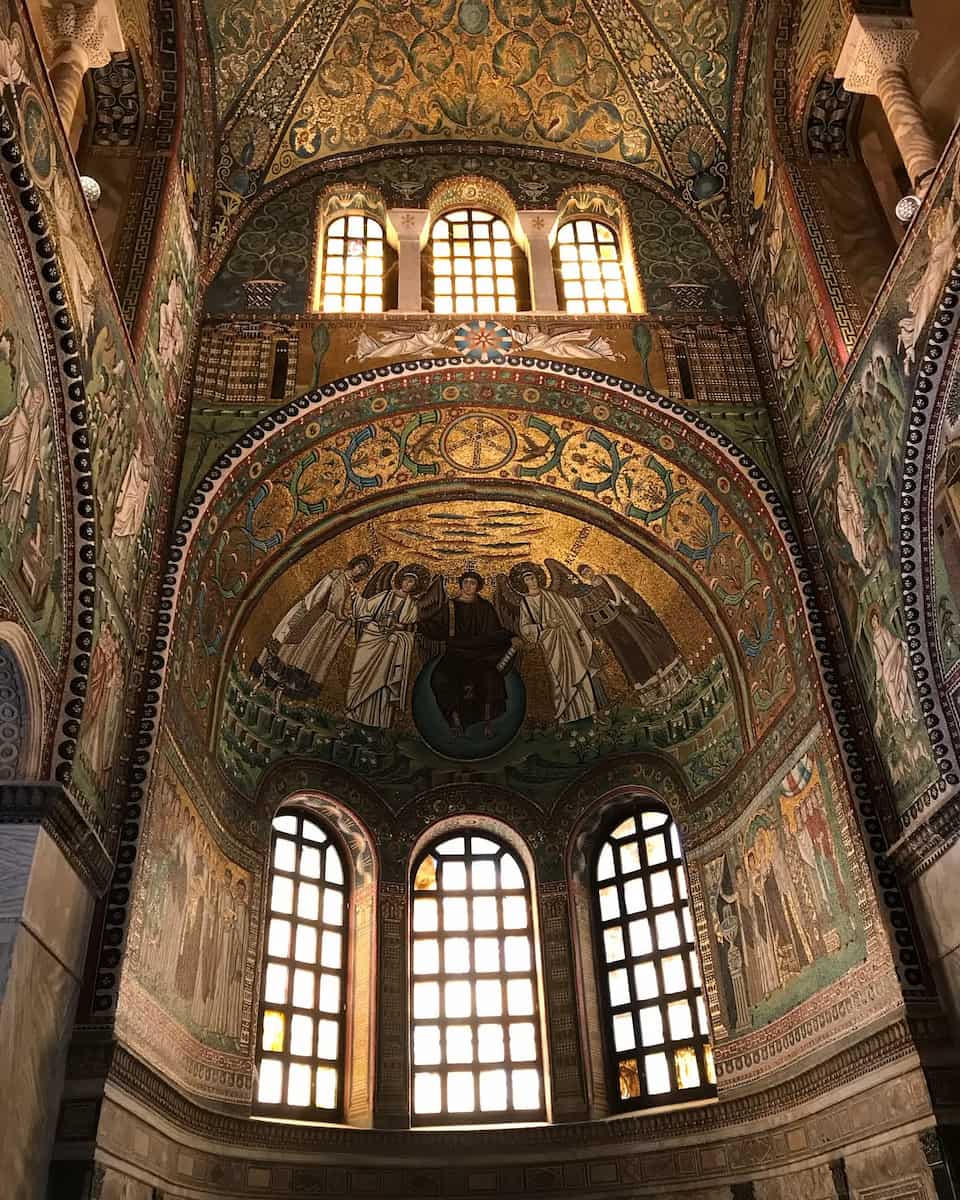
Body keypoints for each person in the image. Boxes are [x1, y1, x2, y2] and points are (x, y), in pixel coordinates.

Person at [252, 555, 373, 700]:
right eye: (359, 566)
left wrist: (348, 614)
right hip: (315, 616)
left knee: (305, 655)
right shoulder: (336, 575)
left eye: (362, 570)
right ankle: (269, 681)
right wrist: (337, 614)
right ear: (354, 564)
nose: (358, 571)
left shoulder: (350, 587)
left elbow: (341, 607)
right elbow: (322, 596)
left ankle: (286, 691)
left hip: (324, 624)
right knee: (291, 647)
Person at [419, 570, 519, 737]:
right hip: (455, 654)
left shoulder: (485, 607)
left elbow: (495, 631)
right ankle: (454, 720)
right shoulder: (450, 606)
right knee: (440, 678)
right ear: (460, 585)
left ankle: (487, 723)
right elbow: (435, 626)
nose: (468, 586)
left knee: (489, 678)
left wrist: (511, 636)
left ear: (478, 587)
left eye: (472, 583)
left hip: (481, 654)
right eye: (465, 582)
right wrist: (415, 626)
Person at [573, 563, 688, 696]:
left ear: (592, 569)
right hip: (616, 622)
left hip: (628, 612)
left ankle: (666, 663)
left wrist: (630, 604)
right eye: (585, 574)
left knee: (649, 634)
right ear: (583, 577)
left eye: (588, 570)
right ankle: (653, 678)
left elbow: (624, 592)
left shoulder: (610, 578)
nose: (588, 574)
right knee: (634, 646)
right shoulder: (591, 593)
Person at [511, 562, 603, 723]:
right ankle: (567, 716)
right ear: (523, 583)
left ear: (538, 578)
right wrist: (546, 625)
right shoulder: (525, 603)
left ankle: (592, 712)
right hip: (549, 644)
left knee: (580, 671)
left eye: (532, 577)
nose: (531, 581)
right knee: (559, 678)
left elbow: (572, 608)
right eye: (527, 580)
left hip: (567, 639)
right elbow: (525, 629)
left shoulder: (552, 595)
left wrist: (586, 594)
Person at [345, 564, 428, 728]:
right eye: (406, 580)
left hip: (390, 646)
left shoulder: (412, 605)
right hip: (372, 638)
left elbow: (409, 626)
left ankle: (376, 722)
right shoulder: (385, 595)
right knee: (358, 675)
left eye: (411, 582)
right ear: (400, 580)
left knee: (383, 680)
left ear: (415, 586)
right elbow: (365, 608)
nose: (407, 584)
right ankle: (352, 712)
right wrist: (355, 597)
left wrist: (397, 629)